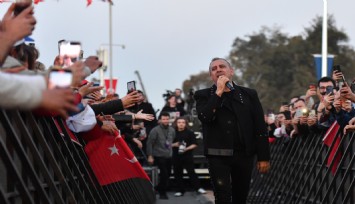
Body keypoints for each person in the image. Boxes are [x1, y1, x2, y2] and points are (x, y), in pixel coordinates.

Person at [194, 57, 270, 204]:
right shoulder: (202, 95)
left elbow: (260, 126)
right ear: (211, 76)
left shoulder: (249, 94)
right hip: (217, 154)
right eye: (214, 69)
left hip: (244, 154)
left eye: (222, 66)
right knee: (222, 197)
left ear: (231, 71)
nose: (218, 70)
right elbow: (205, 116)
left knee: (240, 196)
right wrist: (219, 92)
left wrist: (263, 156)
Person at [171, 117, 206, 197]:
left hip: (187, 156)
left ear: (185, 124)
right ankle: (180, 190)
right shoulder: (172, 133)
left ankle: (198, 188)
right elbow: (166, 145)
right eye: (179, 122)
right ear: (176, 123)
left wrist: (186, 149)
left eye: (183, 122)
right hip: (176, 156)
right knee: (178, 173)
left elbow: (195, 144)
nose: (181, 124)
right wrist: (174, 144)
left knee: (192, 172)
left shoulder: (190, 132)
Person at [146, 112, 175, 200]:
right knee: (164, 174)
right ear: (160, 120)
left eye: (167, 119)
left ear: (169, 119)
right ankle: (162, 193)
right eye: (163, 119)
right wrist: (150, 156)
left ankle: (158, 187)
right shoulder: (155, 130)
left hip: (169, 155)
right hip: (159, 155)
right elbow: (149, 143)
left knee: (168, 174)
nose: (165, 121)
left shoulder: (172, 130)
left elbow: (171, 141)